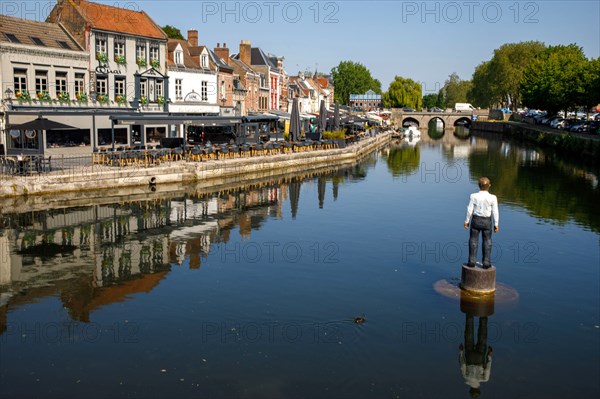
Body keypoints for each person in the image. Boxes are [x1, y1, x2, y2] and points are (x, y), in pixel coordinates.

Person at [464, 177, 499, 268]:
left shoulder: (473, 196)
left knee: (473, 240)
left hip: (476, 220)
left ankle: (471, 261)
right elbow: (495, 211)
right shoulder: (493, 197)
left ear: (478, 186)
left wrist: (467, 221)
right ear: (489, 186)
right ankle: (486, 262)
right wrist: (496, 224)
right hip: (487, 221)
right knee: (487, 241)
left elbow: (469, 209)